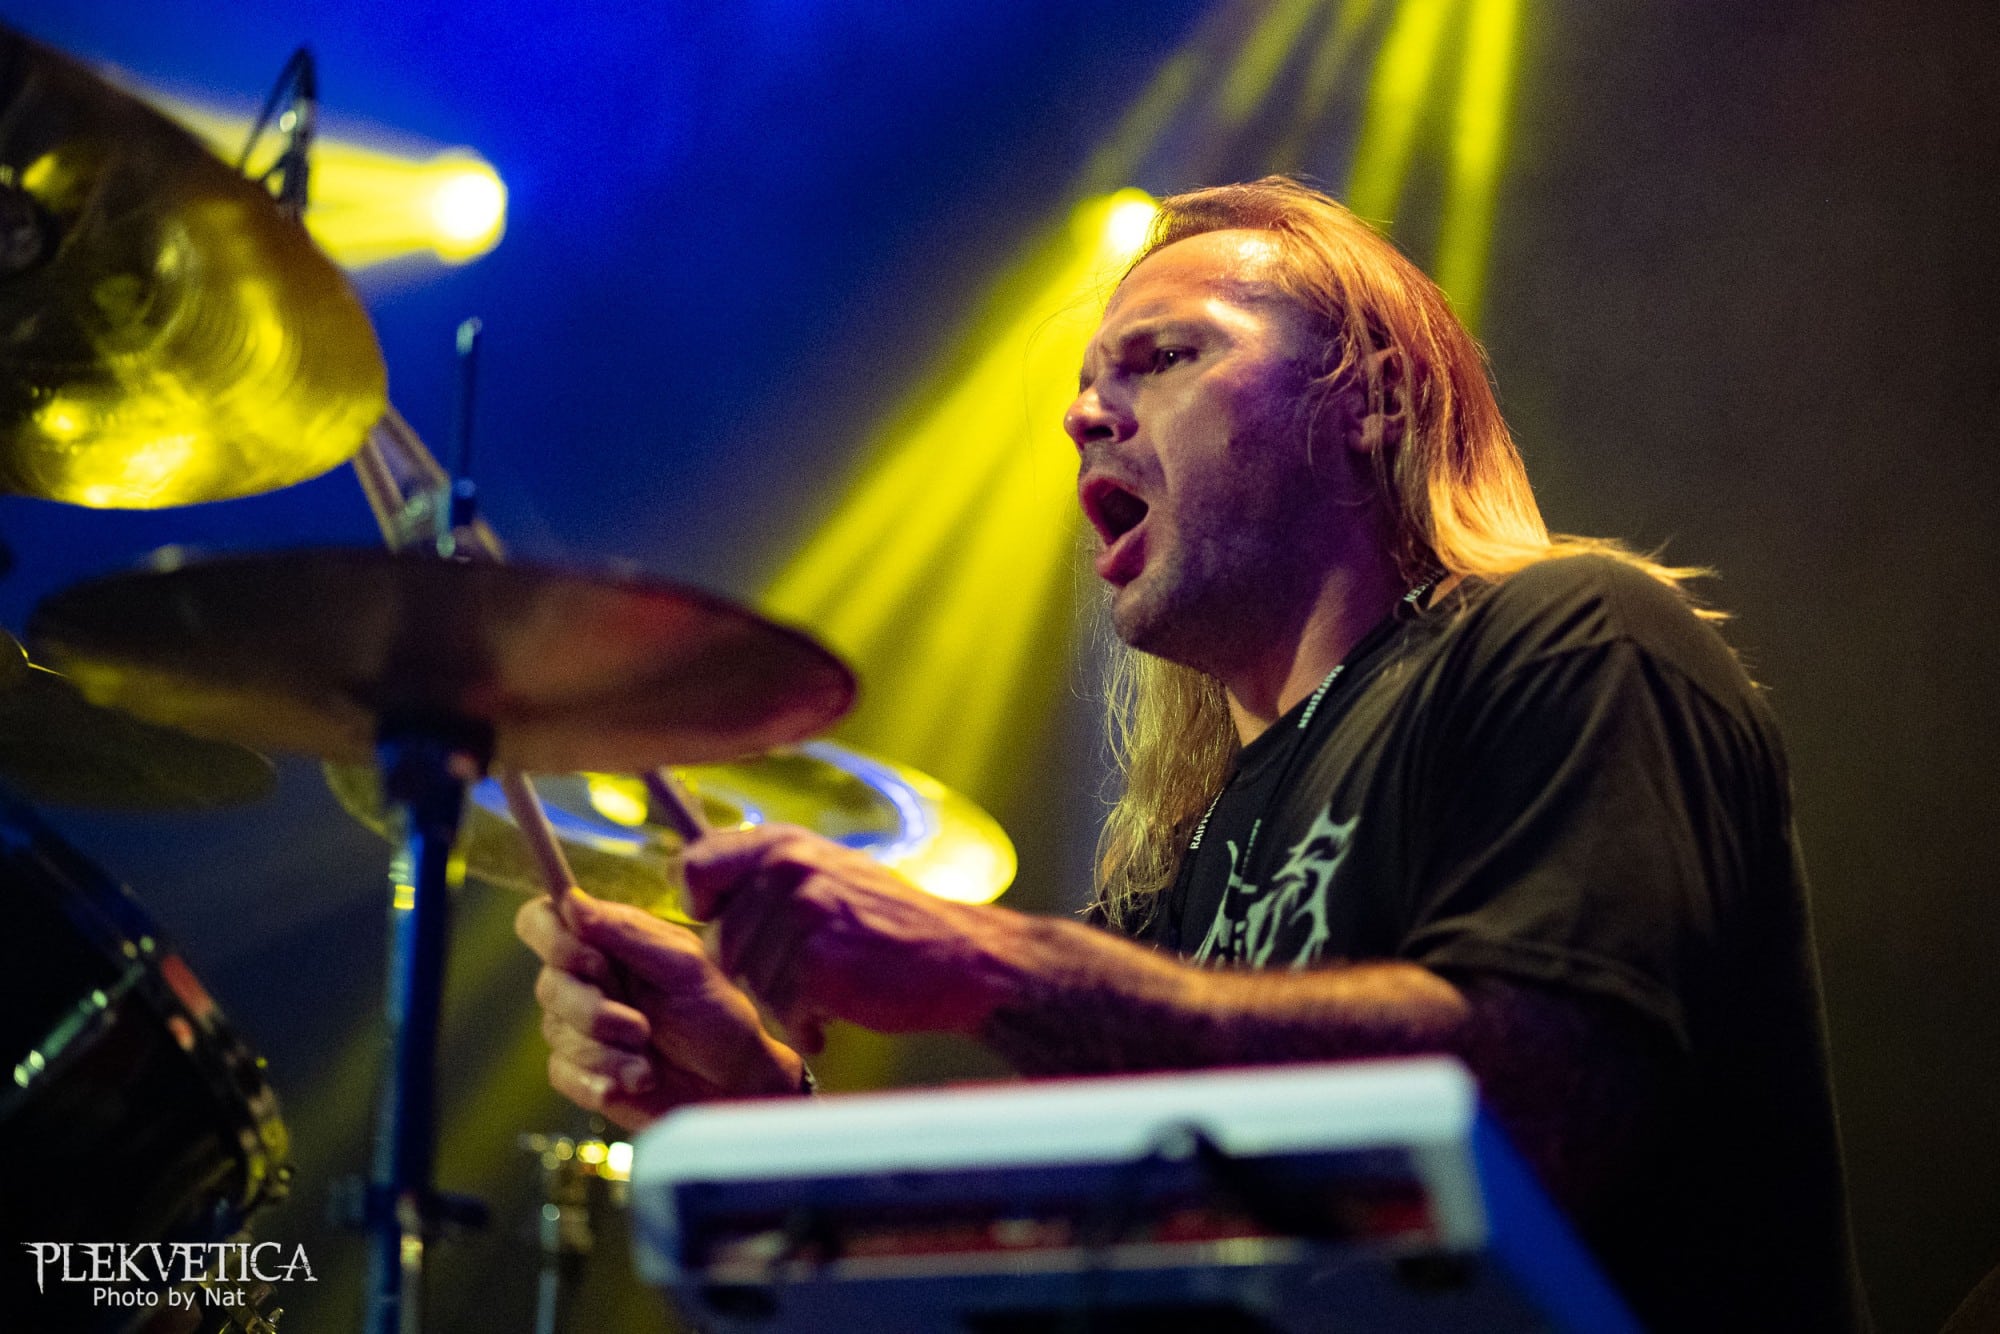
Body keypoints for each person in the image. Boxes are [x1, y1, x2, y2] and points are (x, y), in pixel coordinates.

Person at [516, 177, 1862, 1329]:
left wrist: (998, 966)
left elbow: (1544, 1108)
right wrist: (754, 1118)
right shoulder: (1178, 869)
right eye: (1083, 389)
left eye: (1162, 358)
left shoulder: (1572, 639)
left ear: (1373, 400)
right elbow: (1070, 1277)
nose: (1083, 419)